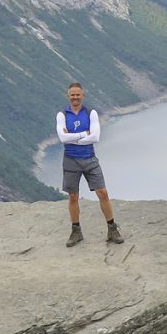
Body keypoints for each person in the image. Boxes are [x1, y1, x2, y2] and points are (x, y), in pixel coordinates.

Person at [56, 82, 124, 247]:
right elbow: (62, 138)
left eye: (78, 94)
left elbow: (95, 138)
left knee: (102, 192)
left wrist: (73, 136)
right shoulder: (62, 115)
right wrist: (83, 134)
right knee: (73, 196)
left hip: (89, 159)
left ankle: (112, 228)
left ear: (82, 95)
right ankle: (76, 231)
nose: (75, 97)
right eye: (72, 94)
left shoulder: (90, 113)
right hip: (71, 160)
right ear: (68, 96)